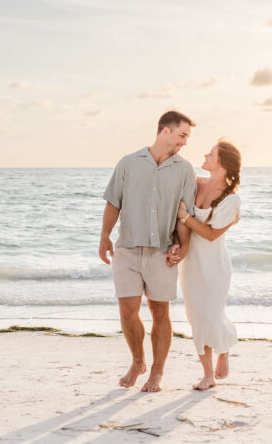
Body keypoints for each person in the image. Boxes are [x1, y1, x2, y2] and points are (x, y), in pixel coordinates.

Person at [99, 110, 198, 392]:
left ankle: (156, 372)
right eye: (182, 135)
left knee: (160, 312)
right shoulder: (129, 163)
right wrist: (105, 236)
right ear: (165, 131)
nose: (185, 142)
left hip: (161, 252)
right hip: (127, 250)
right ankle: (138, 361)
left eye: (187, 137)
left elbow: (184, 214)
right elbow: (112, 203)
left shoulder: (185, 170)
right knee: (128, 310)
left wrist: (184, 245)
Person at [175, 139, 241, 390]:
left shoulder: (231, 201)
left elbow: (211, 234)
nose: (205, 155)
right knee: (196, 317)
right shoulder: (196, 185)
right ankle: (207, 374)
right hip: (191, 264)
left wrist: (185, 217)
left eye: (211, 154)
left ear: (223, 165)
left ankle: (223, 350)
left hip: (215, 267)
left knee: (212, 313)